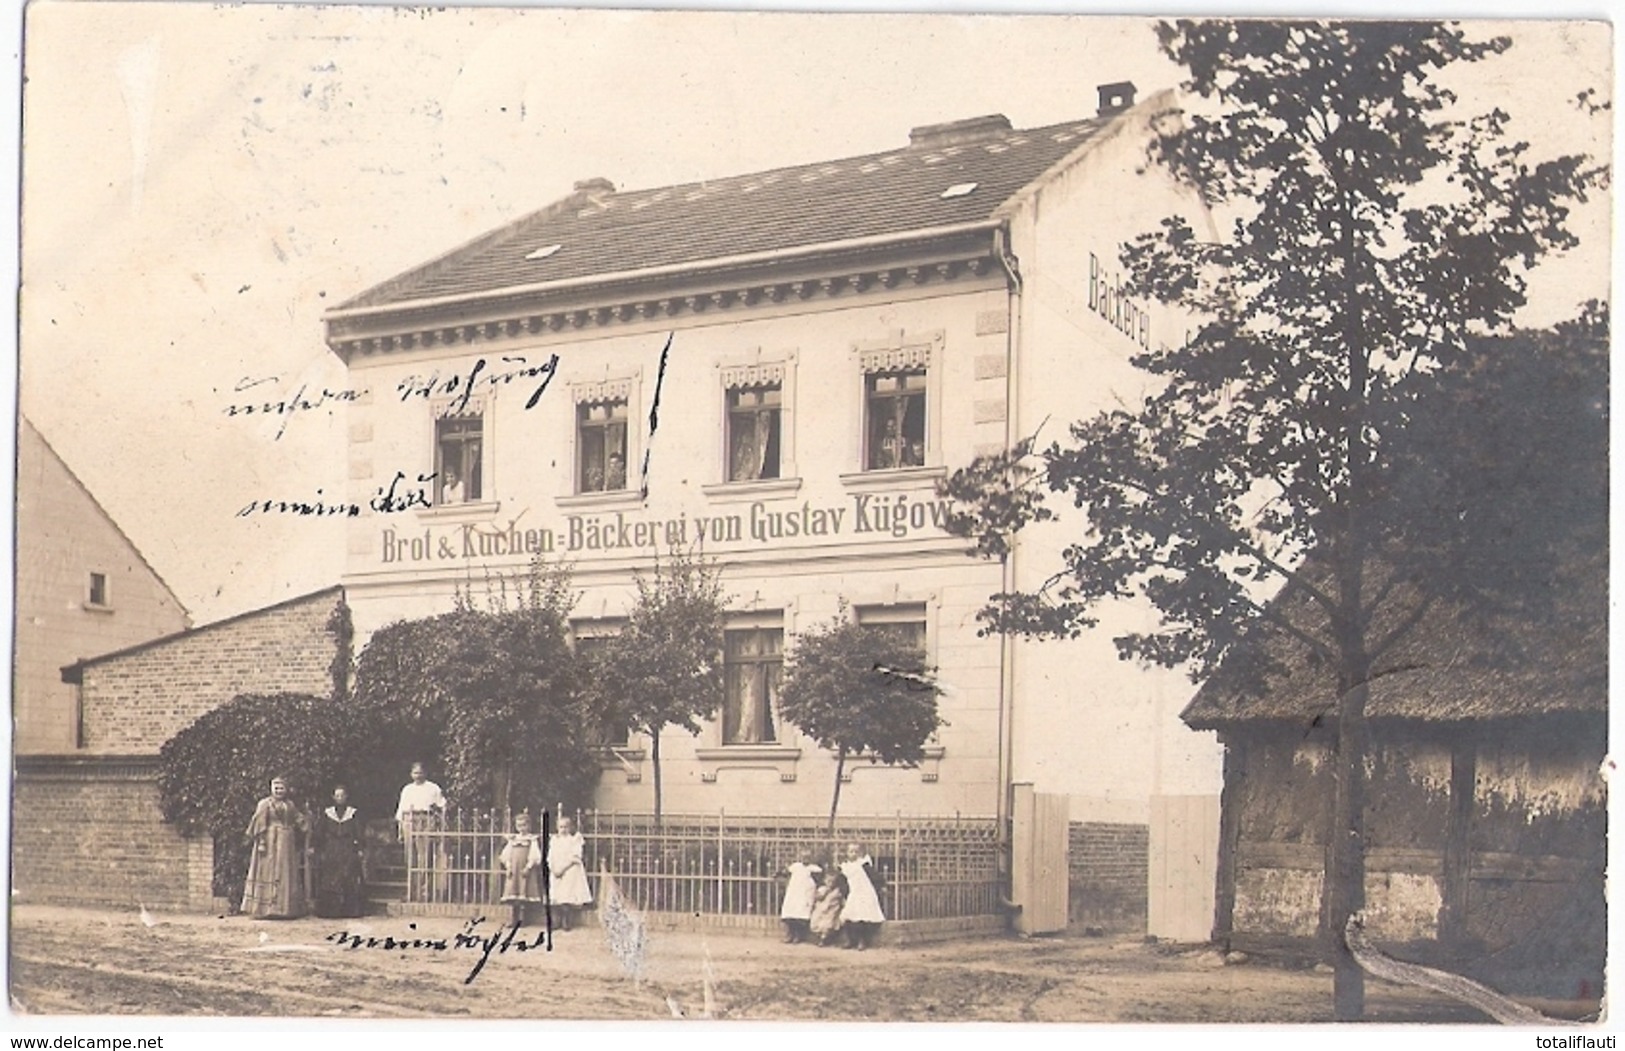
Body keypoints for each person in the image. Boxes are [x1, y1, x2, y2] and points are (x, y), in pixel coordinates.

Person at [242, 776, 309, 919]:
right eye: (276, 788)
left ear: (286, 790)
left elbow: (297, 818)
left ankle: (285, 910)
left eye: (282, 788)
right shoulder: (264, 804)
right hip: (270, 841)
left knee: (285, 872)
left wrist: (305, 820)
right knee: (268, 871)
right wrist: (261, 842)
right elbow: (259, 824)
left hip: (286, 843)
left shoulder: (290, 804)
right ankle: (265, 909)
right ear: (271, 789)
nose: (279, 791)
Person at [311, 785, 366, 919]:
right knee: (331, 878)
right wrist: (315, 846)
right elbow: (319, 832)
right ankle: (330, 911)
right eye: (337, 795)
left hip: (348, 848)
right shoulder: (327, 813)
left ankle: (350, 911)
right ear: (333, 797)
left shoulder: (353, 813)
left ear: (346, 796)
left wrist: (360, 848)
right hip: (331, 848)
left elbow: (358, 832)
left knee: (349, 876)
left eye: (342, 795)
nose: (340, 798)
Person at [395, 762, 447, 901]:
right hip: (409, 820)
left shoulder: (433, 788)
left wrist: (437, 823)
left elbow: (442, 806)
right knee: (410, 857)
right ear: (411, 774)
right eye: (415, 773)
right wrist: (400, 829)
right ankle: (411, 891)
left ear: (425, 773)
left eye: (420, 772)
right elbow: (401, 810)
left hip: (425, 820)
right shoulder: (407, 789)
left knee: (425, 857)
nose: (418, 775)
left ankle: (425, 892)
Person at [498, 811, 545, 928]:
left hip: (524, 869)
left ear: (529, 826)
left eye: (524, 825)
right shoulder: (513, 839)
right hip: (514, 869)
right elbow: (507, 854)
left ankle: (524, 919)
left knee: (524, 891)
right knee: (514, 893)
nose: (521, 828)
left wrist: (528, 867)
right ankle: (514, 918)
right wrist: (508, 867)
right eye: (519, 825)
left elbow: (535, 855)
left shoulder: (531, 839)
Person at [547, 814, 592, 930]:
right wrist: (554, 868)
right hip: (556, 870)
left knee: (567, 896)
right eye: (561, 827)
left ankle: (567, 921)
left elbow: (575, 857)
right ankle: (556, 921)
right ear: (557, 828)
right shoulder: (554, 840)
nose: (563, 830)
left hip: (569, 870)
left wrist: (563, 868)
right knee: (556, 896)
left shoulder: (574, 840)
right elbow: (550, 856)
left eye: (566, 827)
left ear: (570, 827)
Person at [838, 842, 886, 950]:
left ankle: (862, 941)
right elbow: (842, 882)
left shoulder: (863, 864)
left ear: (860, 853)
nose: (854, 854)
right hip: (853, 893)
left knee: (862, 917)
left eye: (856, 852)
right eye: (851, 851)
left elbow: (874, 876)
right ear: (847, 853)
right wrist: (845, 894)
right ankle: (850, 940)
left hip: (865, 893)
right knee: (848, 916)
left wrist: (881, 885)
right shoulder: (845, 867)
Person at [778, 849, 822, 943]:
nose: (805, 859)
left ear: (811, 858)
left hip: (805, 894)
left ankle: (799, 936)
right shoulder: (796, 866)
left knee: (801, 915)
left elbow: (818, 881)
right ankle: (790, 935)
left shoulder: (814, 869)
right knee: (790, 913)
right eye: (803, 857)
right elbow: (786, 873)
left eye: (808, 857)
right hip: (794, 893)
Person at [808, 867, 847, 947]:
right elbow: (817, 897)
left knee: (828, 924)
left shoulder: (837, 891)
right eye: (828, 881)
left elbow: (841, 900)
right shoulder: (822, 889)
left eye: (833, 882)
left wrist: (843, 905)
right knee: (816, 922)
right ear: (824, 881)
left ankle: (823, 939)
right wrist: (823, 893)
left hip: (831, 911)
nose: (830, 883)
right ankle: (820, 937)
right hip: (821, 910)